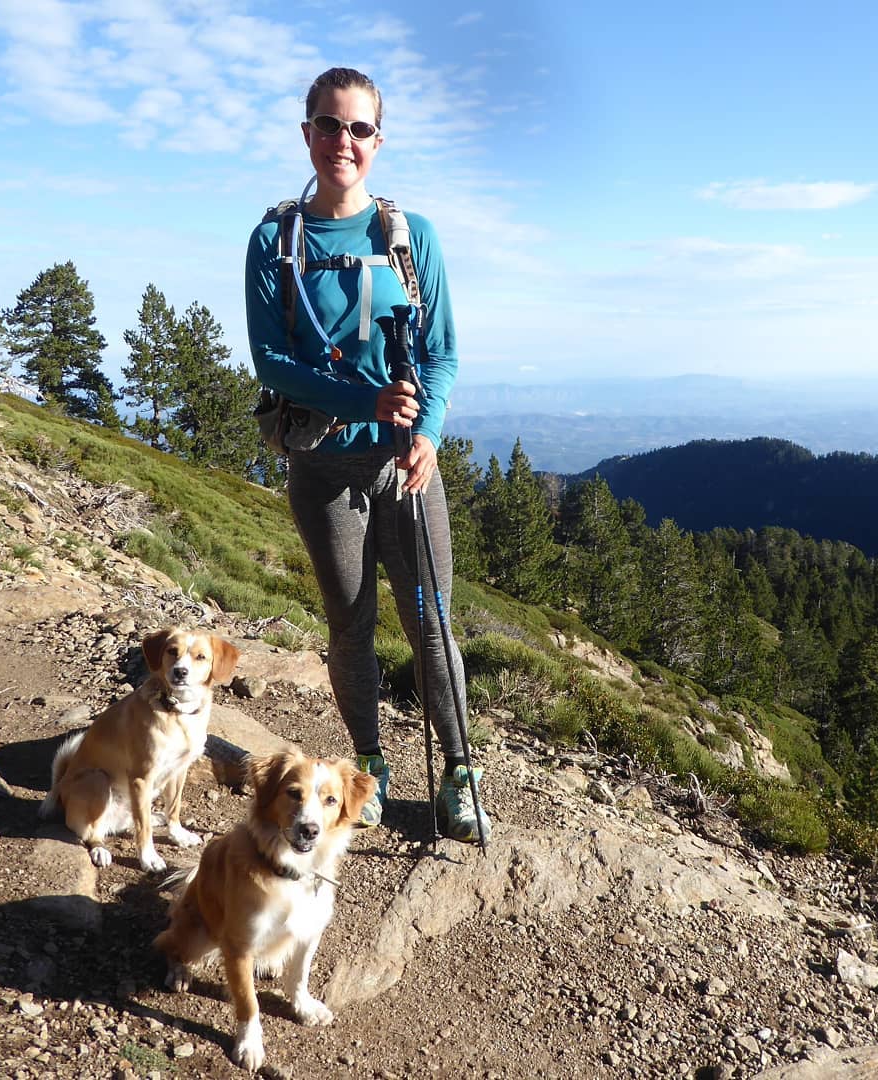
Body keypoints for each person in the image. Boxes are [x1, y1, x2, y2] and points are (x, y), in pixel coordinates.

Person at [245, 67, 489, 843]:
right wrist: (365, 403)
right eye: (328, 125)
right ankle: (369, 770)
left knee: (430, 620)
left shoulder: (413, 237)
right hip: (322, 467)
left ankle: (458, 770)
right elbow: (271, 364)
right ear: (307, 132)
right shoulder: (273, 239)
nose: (341, 142)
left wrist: (429, 432)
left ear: (378, 142)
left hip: (404, 465)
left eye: (357, 129)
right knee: (350, 623)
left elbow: (443, 353)